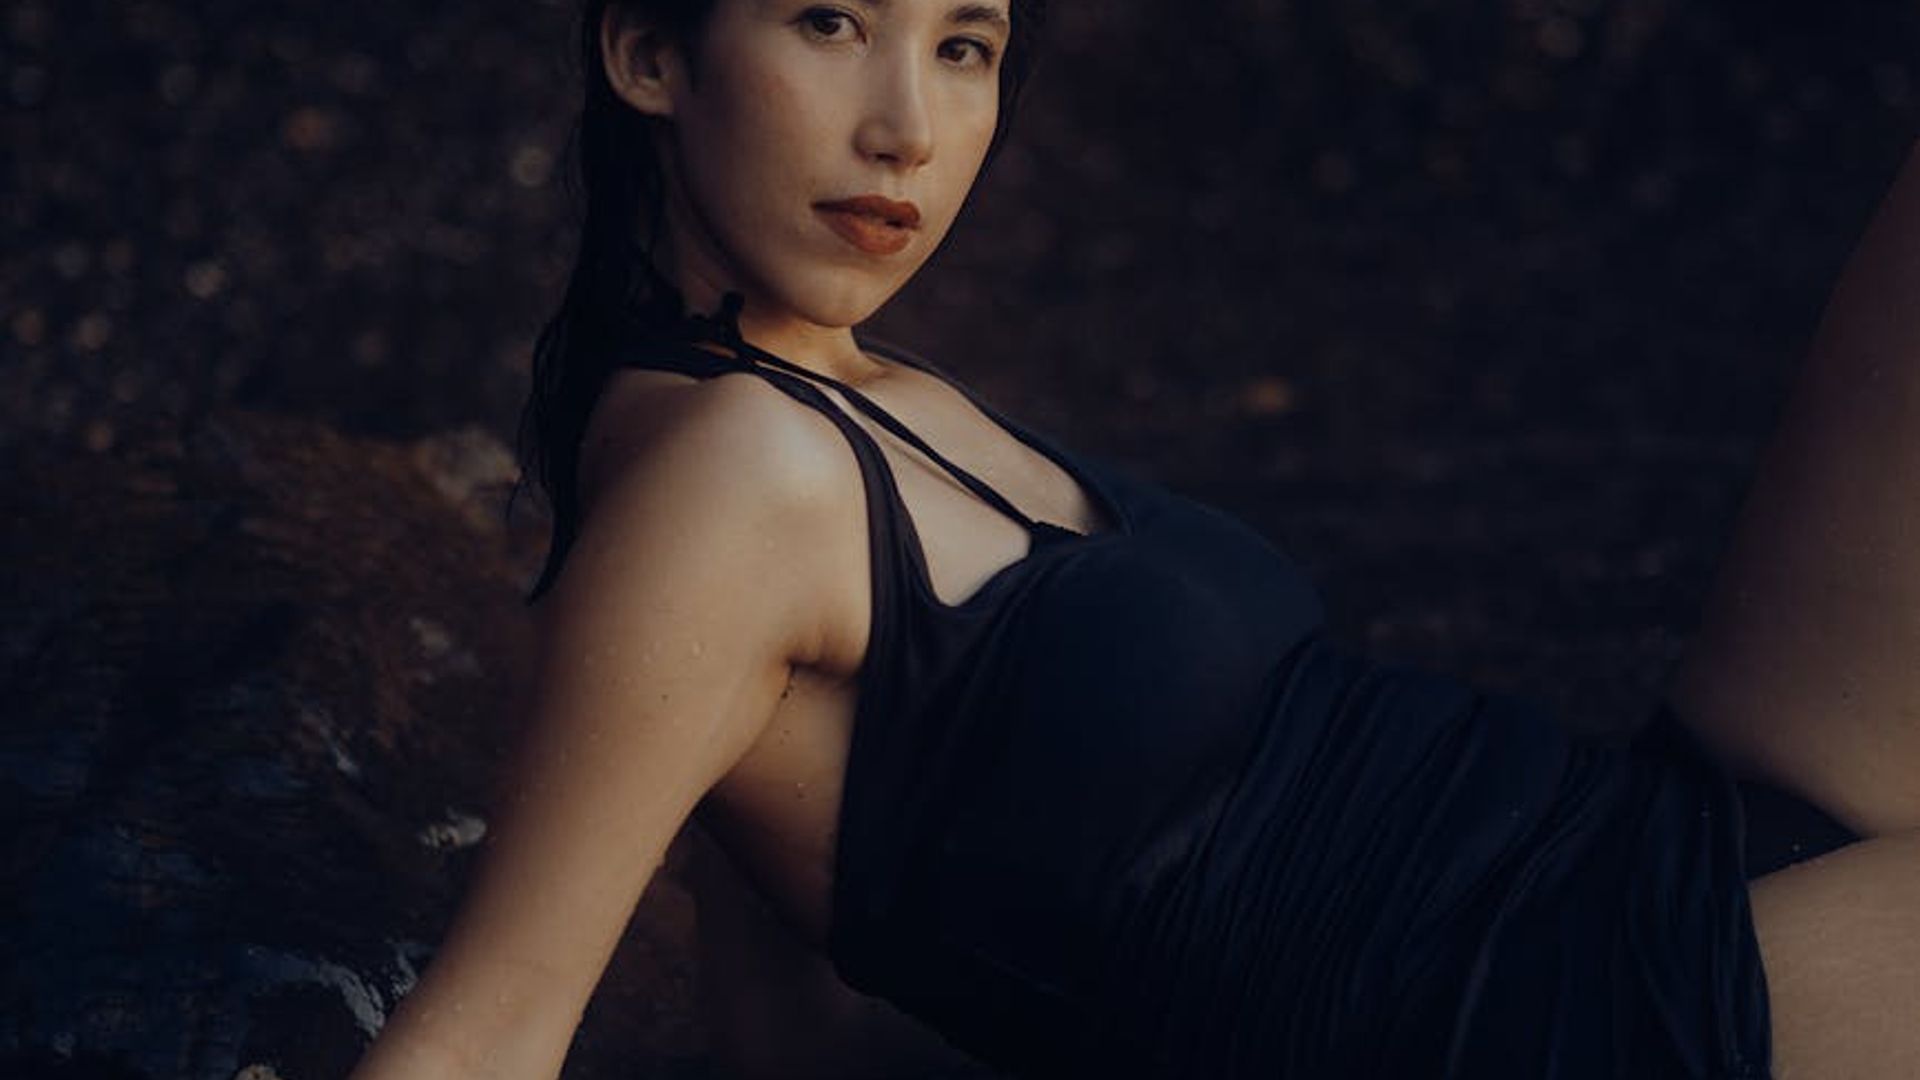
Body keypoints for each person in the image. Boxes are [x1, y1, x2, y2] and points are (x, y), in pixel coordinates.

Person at [349, 0, 1920, 1076]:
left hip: (1621, 825)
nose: (907, 127)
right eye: (830, 21)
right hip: (1549, 1012)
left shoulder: (834, 400)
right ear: (648, 52)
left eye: (964, 44)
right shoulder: (725, 483)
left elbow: (790, 1021)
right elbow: (484, 1039)